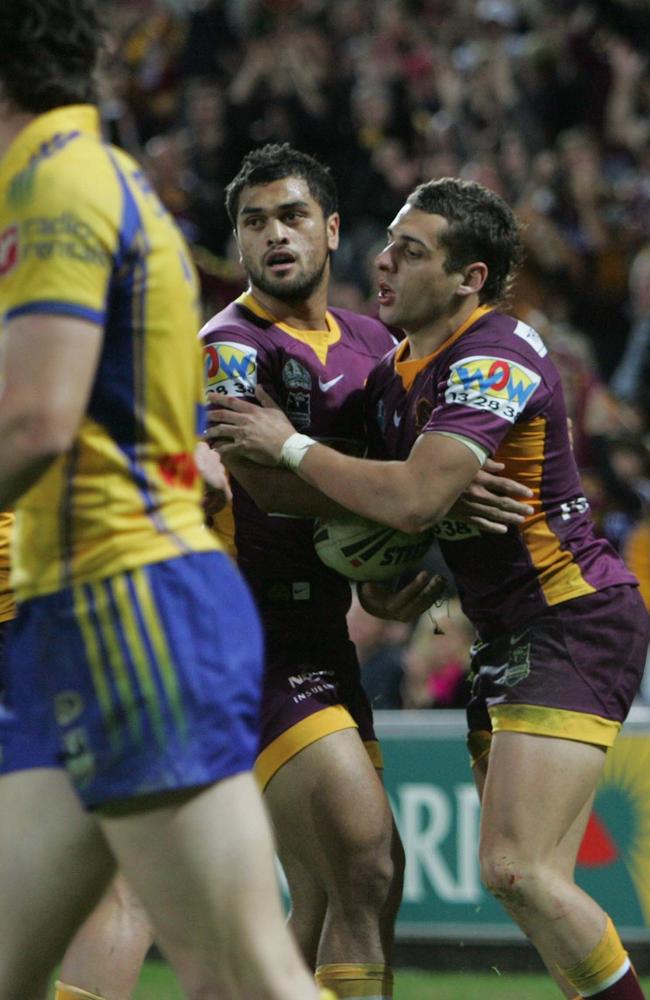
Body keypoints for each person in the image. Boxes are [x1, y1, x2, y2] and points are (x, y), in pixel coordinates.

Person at [210, 176, 650, 1000]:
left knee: (517, 869)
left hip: (571, 616)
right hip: (505, 635)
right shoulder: (392, 376)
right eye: (389, 245)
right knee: (531, 887)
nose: (384, 262)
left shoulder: (497, 354)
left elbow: (407, 495)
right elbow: (392, 505)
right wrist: (387, 570)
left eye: (411, 252)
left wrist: (291, 445)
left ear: (467, 277)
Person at [0, 4, 331, 999]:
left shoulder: (59, 183)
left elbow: (35, 421)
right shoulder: (94, 178)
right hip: (88, 613)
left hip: (131, 612)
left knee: (244, 975)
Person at [199, 144, 534, 1000]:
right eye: (254, 221)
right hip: (252, 639)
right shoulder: (230, 345)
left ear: (333, 229)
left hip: (322, 633)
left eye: (293, 216)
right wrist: (395, 509)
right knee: (368, 859)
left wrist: (390, 562)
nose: (275, 235)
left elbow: (392, 477)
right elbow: (257, 474)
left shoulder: (372, 342)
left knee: (333, 897)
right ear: (237, 242)